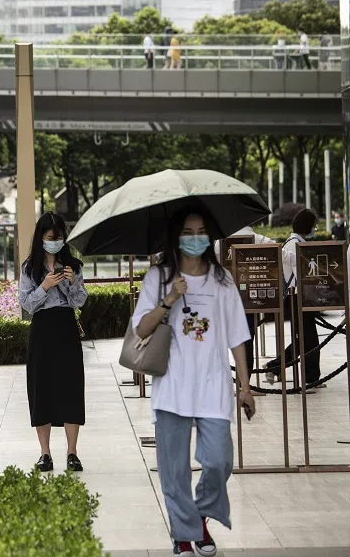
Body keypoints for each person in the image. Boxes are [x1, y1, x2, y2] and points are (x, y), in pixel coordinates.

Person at [132, 206, 254, 557]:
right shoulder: (158, 277)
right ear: (176, 236)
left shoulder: (223, 280)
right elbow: (141, 328)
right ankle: (184, 534)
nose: (195, 238)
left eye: (201, 231)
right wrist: (169, 299)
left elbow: (236, 336)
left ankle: (198, 514)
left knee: (219, 461)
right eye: (188, 231)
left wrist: (244, 386)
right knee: (174, 471)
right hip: (171, 388)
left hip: (213, 386)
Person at [18, 212, 88, 473]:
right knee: (41, 389)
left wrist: (71, 283)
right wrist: (44, 286)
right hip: (42, 329)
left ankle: (72, 452)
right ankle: (44, 453)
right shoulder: (29, 268)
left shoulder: (74, 265)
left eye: (58, 238)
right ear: (41, 238)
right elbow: (26, 304)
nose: (54, 242)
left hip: (66, 327)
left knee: (71, 386)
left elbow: (80, 301)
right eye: (50, 238)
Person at [265, 209, 321, 385]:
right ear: (307, 225)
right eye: (313, 225)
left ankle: (310, 376)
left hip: (300, 297)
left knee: (307, 340)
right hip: (296, 296)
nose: (315, 229)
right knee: (306, 339)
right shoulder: (293, 244)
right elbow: (298, 271)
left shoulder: (297, 242)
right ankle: (275, 366)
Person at [214, 225, 275, 376]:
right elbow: (278, 252)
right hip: (249, 296)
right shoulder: (259, 240)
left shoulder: (220, 243)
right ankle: (245, 380)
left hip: (225, 296)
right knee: (247, 338)